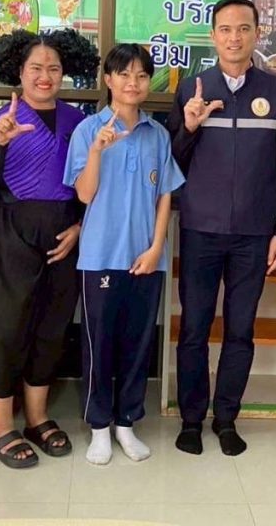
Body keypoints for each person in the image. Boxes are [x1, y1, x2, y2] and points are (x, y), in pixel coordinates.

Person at [167, 0, 276, 457]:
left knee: (240, 329)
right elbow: (171, 162)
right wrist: (189, 127)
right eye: (225, 29)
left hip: (254, 234)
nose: (234, 37)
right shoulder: (194, 89)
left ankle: (226, 419)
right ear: (213, 36)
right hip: (200, 230)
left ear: (257, 34)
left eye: (243, 28)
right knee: (194, 328)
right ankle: (191, 419)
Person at [0, 29, 99, 469]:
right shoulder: (2, 118)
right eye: (36, 68)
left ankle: (38, 418)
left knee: (51, 325)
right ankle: (1, 427)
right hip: (9, 231)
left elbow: (92, 184)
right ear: (19, 71)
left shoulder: (78, 121)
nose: (45, 76)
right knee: (4, 327)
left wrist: (80, 226)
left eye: (54, 68)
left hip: (64, 234)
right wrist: (0, 141)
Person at [64, 44, 184, 465]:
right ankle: (99, 427)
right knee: (99, 344)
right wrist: (97, 150)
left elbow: (165, 195)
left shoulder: (158, 134)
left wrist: (156, 247)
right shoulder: (87, 130)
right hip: (99, 255)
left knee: (138, 343)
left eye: (141, 75)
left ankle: (126, 423)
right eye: (124, 74)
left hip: (146, 258)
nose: (133, 83)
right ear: (108, 80)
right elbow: (84, 194)